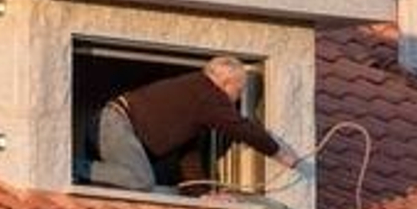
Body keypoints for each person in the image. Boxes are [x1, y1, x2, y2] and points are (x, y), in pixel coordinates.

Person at [87, 56, 302, 192]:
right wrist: (280, 153)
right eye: (238, 91)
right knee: (141, 180)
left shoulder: (196, 101)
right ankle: (73, 169)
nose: (237, 100)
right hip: (114, 125)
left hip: (110, 126)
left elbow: (189, 158)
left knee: (140, 178)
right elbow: (241, 127)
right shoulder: (208, 93)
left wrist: (204, 194)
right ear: (227, 83)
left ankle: (81, 171)